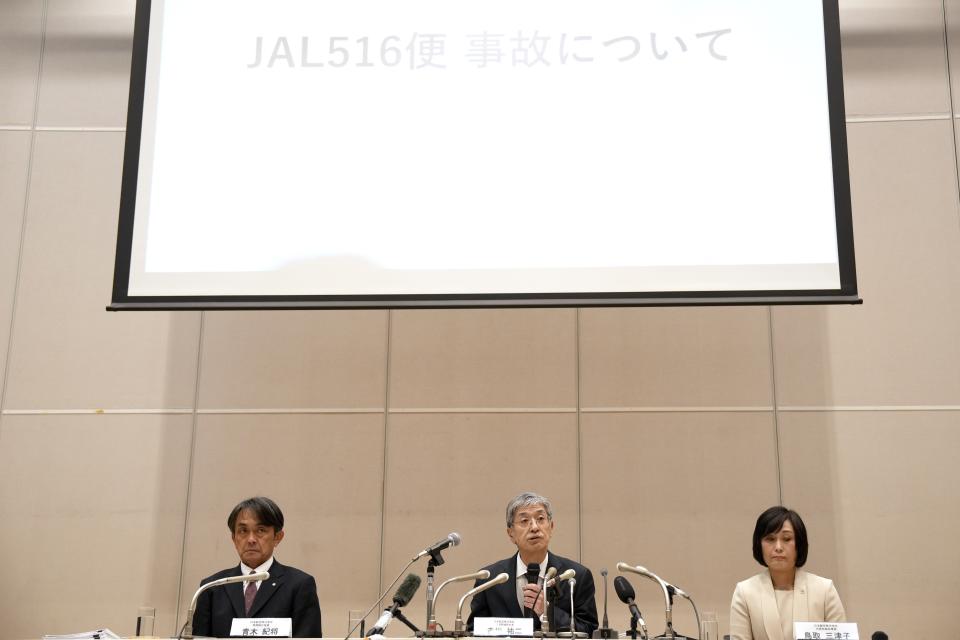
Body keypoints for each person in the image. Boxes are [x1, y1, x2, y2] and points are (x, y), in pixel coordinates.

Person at [468, 491, 599, 635]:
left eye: (541, 518)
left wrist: (547, 611)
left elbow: (589, 630)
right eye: (524, 521)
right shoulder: (490, 579)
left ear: (551, 527)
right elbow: (473, 632)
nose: (534, 527)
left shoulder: (576, 576)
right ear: (510, 533)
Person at [192, 497, 322, 637]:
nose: (251, 539)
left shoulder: (299, 585)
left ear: (277, 537)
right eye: (243, 531)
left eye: (260, 530)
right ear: (234, 539)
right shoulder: (212, 587)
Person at [730, 506, 845, 640]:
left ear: (799, 545)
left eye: (786, 539)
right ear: (759, 544)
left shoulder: (825, 590)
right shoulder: (745, 592)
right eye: (770, 539)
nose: (778, 547)